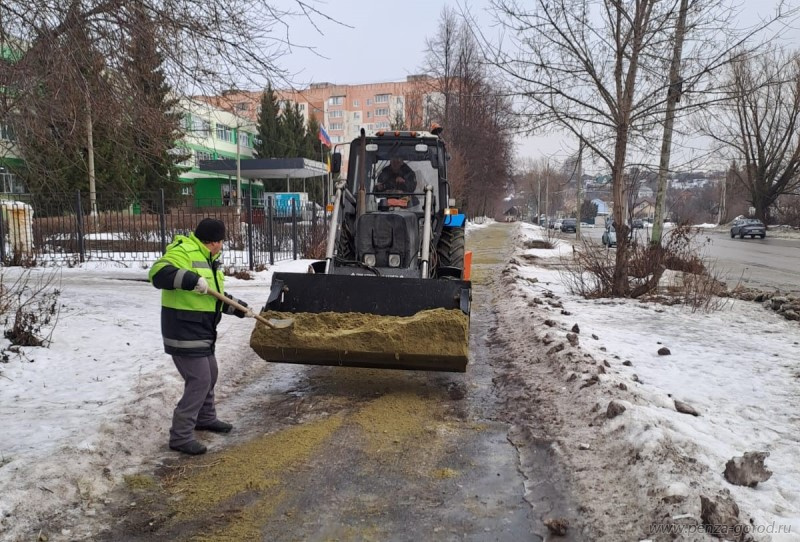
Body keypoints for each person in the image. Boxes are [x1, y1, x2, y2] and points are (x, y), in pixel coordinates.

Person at [148, 218, 249, 456]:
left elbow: (214, 297)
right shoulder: (184, 251)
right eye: (222, 241)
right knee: (200, 379)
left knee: (210, 374)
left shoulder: (210, 260)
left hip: (202, 331)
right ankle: (180, 436)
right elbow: (157, 274)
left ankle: (205, 418)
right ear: (214, 241)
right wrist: (190, 280)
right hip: (183, 330)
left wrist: (239, 308)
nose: (222, 245)